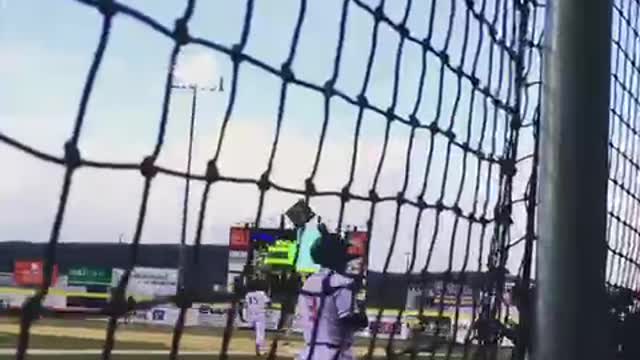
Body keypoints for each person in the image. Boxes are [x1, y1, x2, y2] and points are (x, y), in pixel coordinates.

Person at [296, 223, 369, 360]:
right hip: (334, 353)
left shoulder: (308, 283)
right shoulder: (341, 283)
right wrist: (363, 318)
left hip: (308, 353)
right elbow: (347, 319)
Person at [245, 280, 271, 356]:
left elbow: (247, 305)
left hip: (251, 315)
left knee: (258, 332)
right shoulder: (261, 293)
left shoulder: (248, 295)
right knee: (260, 333)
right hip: (260, 315)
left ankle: (260, 348)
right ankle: (259, 350)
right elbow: (268, 303)